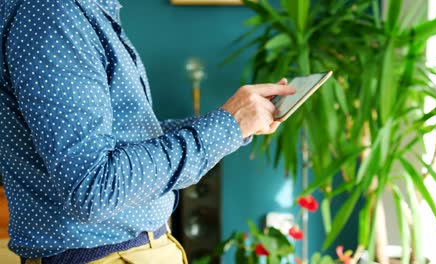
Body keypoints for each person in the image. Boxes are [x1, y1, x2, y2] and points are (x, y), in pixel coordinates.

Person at [0, 0, 295, 263]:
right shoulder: (54, 12)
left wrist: (233, 122)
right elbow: (93, 187)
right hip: (108, 255)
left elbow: (124, 143)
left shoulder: (80, 12)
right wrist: (228, 125)